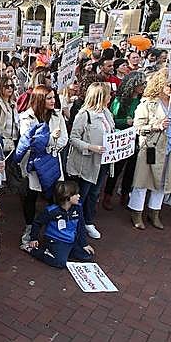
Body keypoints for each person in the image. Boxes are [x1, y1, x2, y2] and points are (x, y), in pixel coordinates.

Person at [128, 69, 171, 230]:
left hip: (169, 150)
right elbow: (138, 127)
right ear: (160, 85)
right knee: (143, 179)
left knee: (163, 181)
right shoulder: (148, 103)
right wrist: (156, 126)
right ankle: (136, 212)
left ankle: (154, 212)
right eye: (170, 85)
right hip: (151, 149)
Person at [15, 86, 68, 245]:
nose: (53, 101)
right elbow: (31, 142)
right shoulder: (27, 117)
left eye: (54, 97)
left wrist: (50, 143)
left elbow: (64, 139)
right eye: (49, 98)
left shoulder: (58, 115)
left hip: (51, 162)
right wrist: (51, 138)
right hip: (33, 164)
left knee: (53, 196)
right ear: (40, 100)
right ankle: (30, 227)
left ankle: (53, 228)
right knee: (31, 196)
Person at [66, 82, 114, 239]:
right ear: (100, 97)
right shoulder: (84, 115)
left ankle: (88, 221)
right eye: (108, 95)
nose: (110, 97)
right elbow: (73, 138)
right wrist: (90, 147)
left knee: (94, 193)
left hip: (103, 162)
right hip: (86, 163)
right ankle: (75, 223)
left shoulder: (107, 113)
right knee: (83, 194)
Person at [22, 180, 95, 268]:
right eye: (76, 194)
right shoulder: (51, 211)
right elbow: (37, 223)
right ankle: (33, 250)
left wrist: (84, 244)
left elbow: (81, 226)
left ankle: (62, 253)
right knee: (60, 263)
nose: (79, 196)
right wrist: (34, 238)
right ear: (67, 197)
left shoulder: (78, 208)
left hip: (71, 240)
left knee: (87, 256)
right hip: (55, 241)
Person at [102, 71, 146, 210]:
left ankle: (125, 194)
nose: (143, 86)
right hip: (122, 139)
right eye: (141, 83)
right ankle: (108, 195)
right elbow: (112, 120)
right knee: (117, 169)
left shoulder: (142, 101)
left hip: (137, 139)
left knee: (131, 169)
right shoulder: (119, 100)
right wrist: (127, 122)